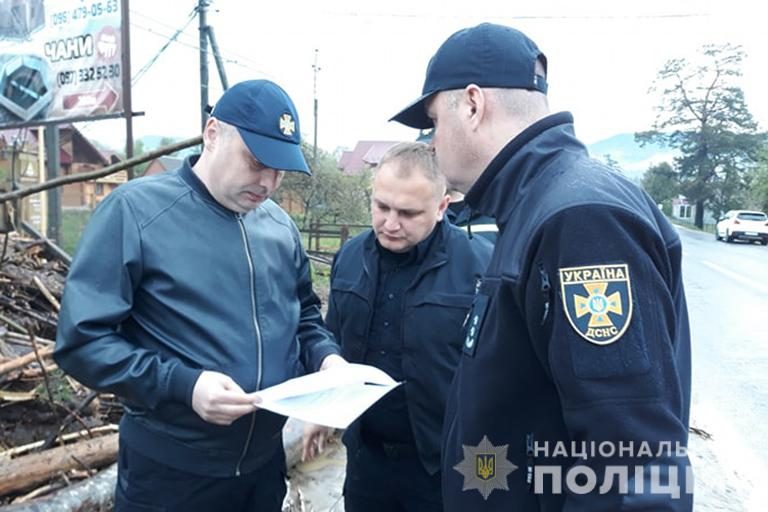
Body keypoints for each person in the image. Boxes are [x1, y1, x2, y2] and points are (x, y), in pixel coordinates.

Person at [391, 23, 692, 511]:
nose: (430, 141)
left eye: (432, 122)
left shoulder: (580, 217)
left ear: (471, 104)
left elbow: (633, 462)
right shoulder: (535, 205)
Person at [54, 80, 345, 512]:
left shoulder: (279, 227)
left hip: (262, 472)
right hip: (171, 477)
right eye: (255, 160)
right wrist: (184, 385)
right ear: (212, 134)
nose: (267, 181)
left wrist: (327, 358)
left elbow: (303, 315)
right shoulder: (135, 213)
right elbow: (83, 342)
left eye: (280, 170)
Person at [311, 142, 492, 512]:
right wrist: (322, 413)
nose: (390, 224)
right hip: (367, 464)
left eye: (408, 213)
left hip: (446, 468)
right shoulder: (349, 257)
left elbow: (500, 374)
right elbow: (333, 341)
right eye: (382, 207)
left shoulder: (482, 268)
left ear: (442, 207)